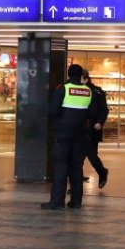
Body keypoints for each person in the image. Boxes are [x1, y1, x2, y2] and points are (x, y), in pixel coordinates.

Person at [43, 63, 94, 210]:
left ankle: (57, 201)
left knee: (61, 166)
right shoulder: (88, 91)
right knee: (76, 167)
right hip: (80, 135)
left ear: (69, 74)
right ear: (81, 75)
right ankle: (76, 201)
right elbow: (91, 113)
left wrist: (58, 122)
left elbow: (52, 110)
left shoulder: (63, 89)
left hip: (63, 134)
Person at [81, 70, 110, 188]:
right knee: (77, 157)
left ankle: (102, 171)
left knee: (92, 155)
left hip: (92, 129)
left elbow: (104, 109)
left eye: (80, 79)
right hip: (79, 129)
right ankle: (75, 184)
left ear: (86, 79)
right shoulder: (78, 91)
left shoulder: (97, 91)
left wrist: (99, 122)